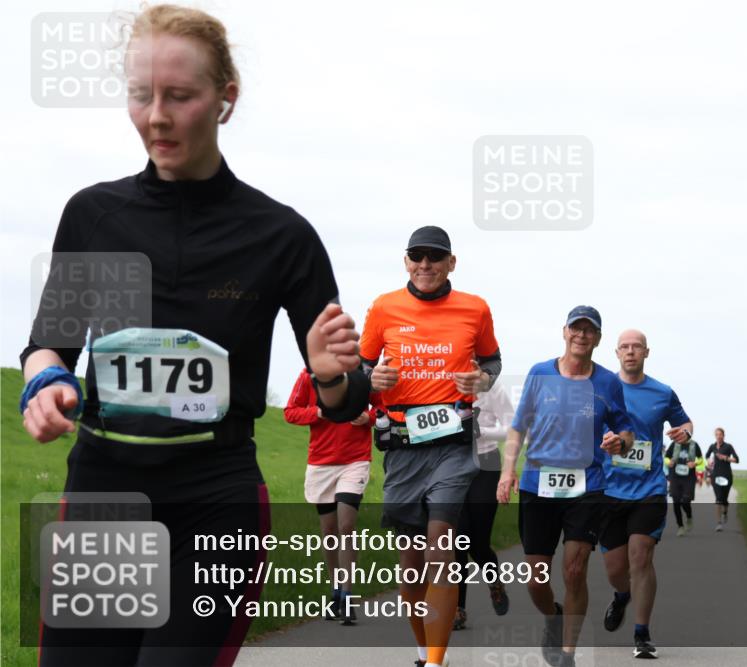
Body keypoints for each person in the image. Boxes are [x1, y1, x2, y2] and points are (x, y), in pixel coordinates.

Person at [19, 6, 369, 666]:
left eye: (180, 96)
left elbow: (347, 401)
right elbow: (50, 344)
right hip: (105, 496)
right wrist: (45, 382)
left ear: (225, 99)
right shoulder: (93, 215)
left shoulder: (281, 237)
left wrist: (329, 374)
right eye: (140, 95)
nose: (156, 116)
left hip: (215, 500)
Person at [359, 225, 502, 667]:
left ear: (451, 263)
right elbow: (361, 367)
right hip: (402, 446)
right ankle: (423, 650)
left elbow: (493, 361)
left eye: (435, 258)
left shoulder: (475, 308)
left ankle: (436, 662)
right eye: (417, 257)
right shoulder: (383, 308)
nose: (426, 265)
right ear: (406, 261)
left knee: (441, 542)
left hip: (453, 443)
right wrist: (370, 379)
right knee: (412, 560)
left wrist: (481, 380)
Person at [497, 306, 635, 667]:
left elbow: (627, 431)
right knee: (535, 579)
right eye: (576, 328)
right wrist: (507, 470)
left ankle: (568, 655)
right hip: (537, 483)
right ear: (565, 332)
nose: (582, 335)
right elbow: (518, 426)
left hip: (587, 485)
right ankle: (553, 616)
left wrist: (620, 443)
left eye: (589, 331)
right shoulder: (540, 373)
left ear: (598, 339)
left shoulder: (608, 383)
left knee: (574, 570)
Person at [599, 329, 693, 660]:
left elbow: (686, 424)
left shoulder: (662, 392)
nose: (630, 352)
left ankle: (641, 632)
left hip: (649, 488)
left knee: (641, 556)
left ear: (646, 353)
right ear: (616, 352)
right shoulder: (601, 387)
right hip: (609, 491)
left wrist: (684, 433)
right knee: (615, 568)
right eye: (624, 347)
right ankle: (622, 594)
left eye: (636, 347)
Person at [285, 368, 380, 624]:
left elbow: (383, 410)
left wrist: (367, 418)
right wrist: (316, 412)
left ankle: (348, 596)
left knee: (346, 525)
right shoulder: (309, 375)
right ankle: (336, 589)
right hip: (321, 463)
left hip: (355, 459)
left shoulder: (362, 375)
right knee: (329, 531)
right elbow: (290, 412)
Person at [453, 380, 513, 631]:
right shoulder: (441, 382)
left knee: (477, 542)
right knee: (457, 539)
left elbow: (513, 429)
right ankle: (458, 608)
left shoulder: (493, 388)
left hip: (485, 465)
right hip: (451, 463)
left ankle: (494, 581)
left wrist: (479, 431)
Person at [664, 436, 703, 537]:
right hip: (675, 477)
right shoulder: (674, 444)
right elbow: (666, 457)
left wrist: (694, 463)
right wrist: (669, 462)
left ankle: (689, 517)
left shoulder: (694, 444)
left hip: (688, 477)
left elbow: (701, 459)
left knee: (685, 501)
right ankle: (680, 526)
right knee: (676, 502)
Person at [705, 427, 740, 531]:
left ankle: (725, 512)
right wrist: (709, 461)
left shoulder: (728, 446)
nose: (718, 436)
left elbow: (737, 460)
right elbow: (706, 456)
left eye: (720, 434)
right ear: (715, 436)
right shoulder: (712, 446)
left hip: (726, 475)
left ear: (723, 436)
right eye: (716, 434)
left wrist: (726, 458)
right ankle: (719, 523)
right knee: (718, 499)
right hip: (715, 475)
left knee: (724, 499)